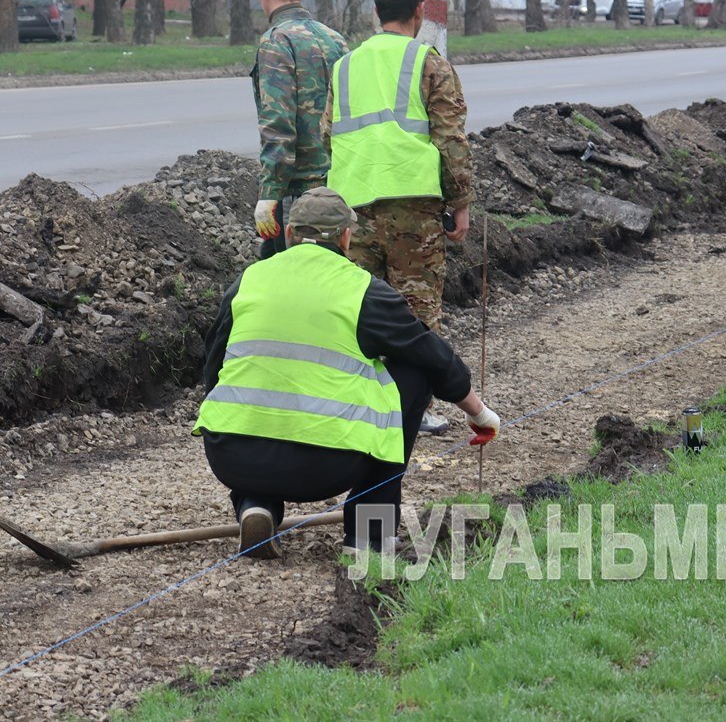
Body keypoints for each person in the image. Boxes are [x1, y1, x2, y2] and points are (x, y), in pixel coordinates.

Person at [194, 187, 501, 559]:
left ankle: (255, 505)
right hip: (325, 468)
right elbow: (434, 357)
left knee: (253, 387)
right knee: (415, 372)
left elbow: (215, 370)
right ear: (345, 238)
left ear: (289, 234)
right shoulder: (363, 291)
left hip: (231, 457)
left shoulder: (247, 281)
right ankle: (369, 536)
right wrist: (480, 414)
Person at [322, 0, 475, 435]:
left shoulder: (344, 66)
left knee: (360, 311)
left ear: (375, 12)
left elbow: (328, 134)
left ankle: (360, 407)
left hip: (353, 209)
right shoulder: (428, 62)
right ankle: (412, 410)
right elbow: (450, 138)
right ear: (419, 12)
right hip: (412, 207)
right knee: (415, 315)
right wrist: (461, 203)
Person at [251, 0, 349, 258]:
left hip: (298, 193)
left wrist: (269, 195)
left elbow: (278, 124)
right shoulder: (337, 41)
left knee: (295, 276)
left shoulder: (276, 42)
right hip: (337, 185)